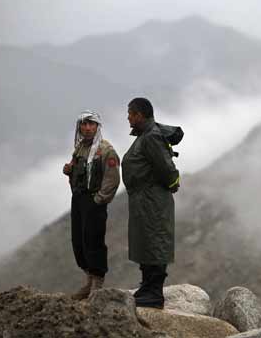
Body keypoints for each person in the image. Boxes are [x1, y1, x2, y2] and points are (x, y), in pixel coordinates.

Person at [122, 98, 182, 309]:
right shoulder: (145, 135)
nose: (128, 117)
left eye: (130, 113)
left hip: (153, 200)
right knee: (145, 242)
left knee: (155, 241)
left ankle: (155, 293)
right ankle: (147, 287)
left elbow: (166, 168)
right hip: (143, 200)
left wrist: (173, 182)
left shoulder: (151, 137)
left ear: (139, 115)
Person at [63, 110, 120, 300]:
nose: (87, 128)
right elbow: (77, 170)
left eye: (91, 124)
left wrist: (99, 200)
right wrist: (68, 170)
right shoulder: (80, 148)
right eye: (84, 124)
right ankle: (88, 280)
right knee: (78, 240)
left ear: (97, 127)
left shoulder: (106, 150)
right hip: (78, 200)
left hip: (94, 202)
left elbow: (112, 179)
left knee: (93, 240)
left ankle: (97, 283)